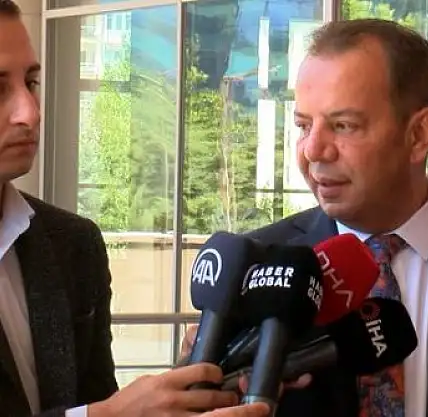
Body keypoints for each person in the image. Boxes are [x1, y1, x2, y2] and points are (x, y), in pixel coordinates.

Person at [182, 18, 428, 417]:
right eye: (303, 125)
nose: (313, 150)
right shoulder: (257, 272)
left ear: (419, 134)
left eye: (343, 125)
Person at [0, 1, 269, 416]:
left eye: (32, 83)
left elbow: (97, 403)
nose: (30, 113)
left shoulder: (73, 243)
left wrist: (190, 385)